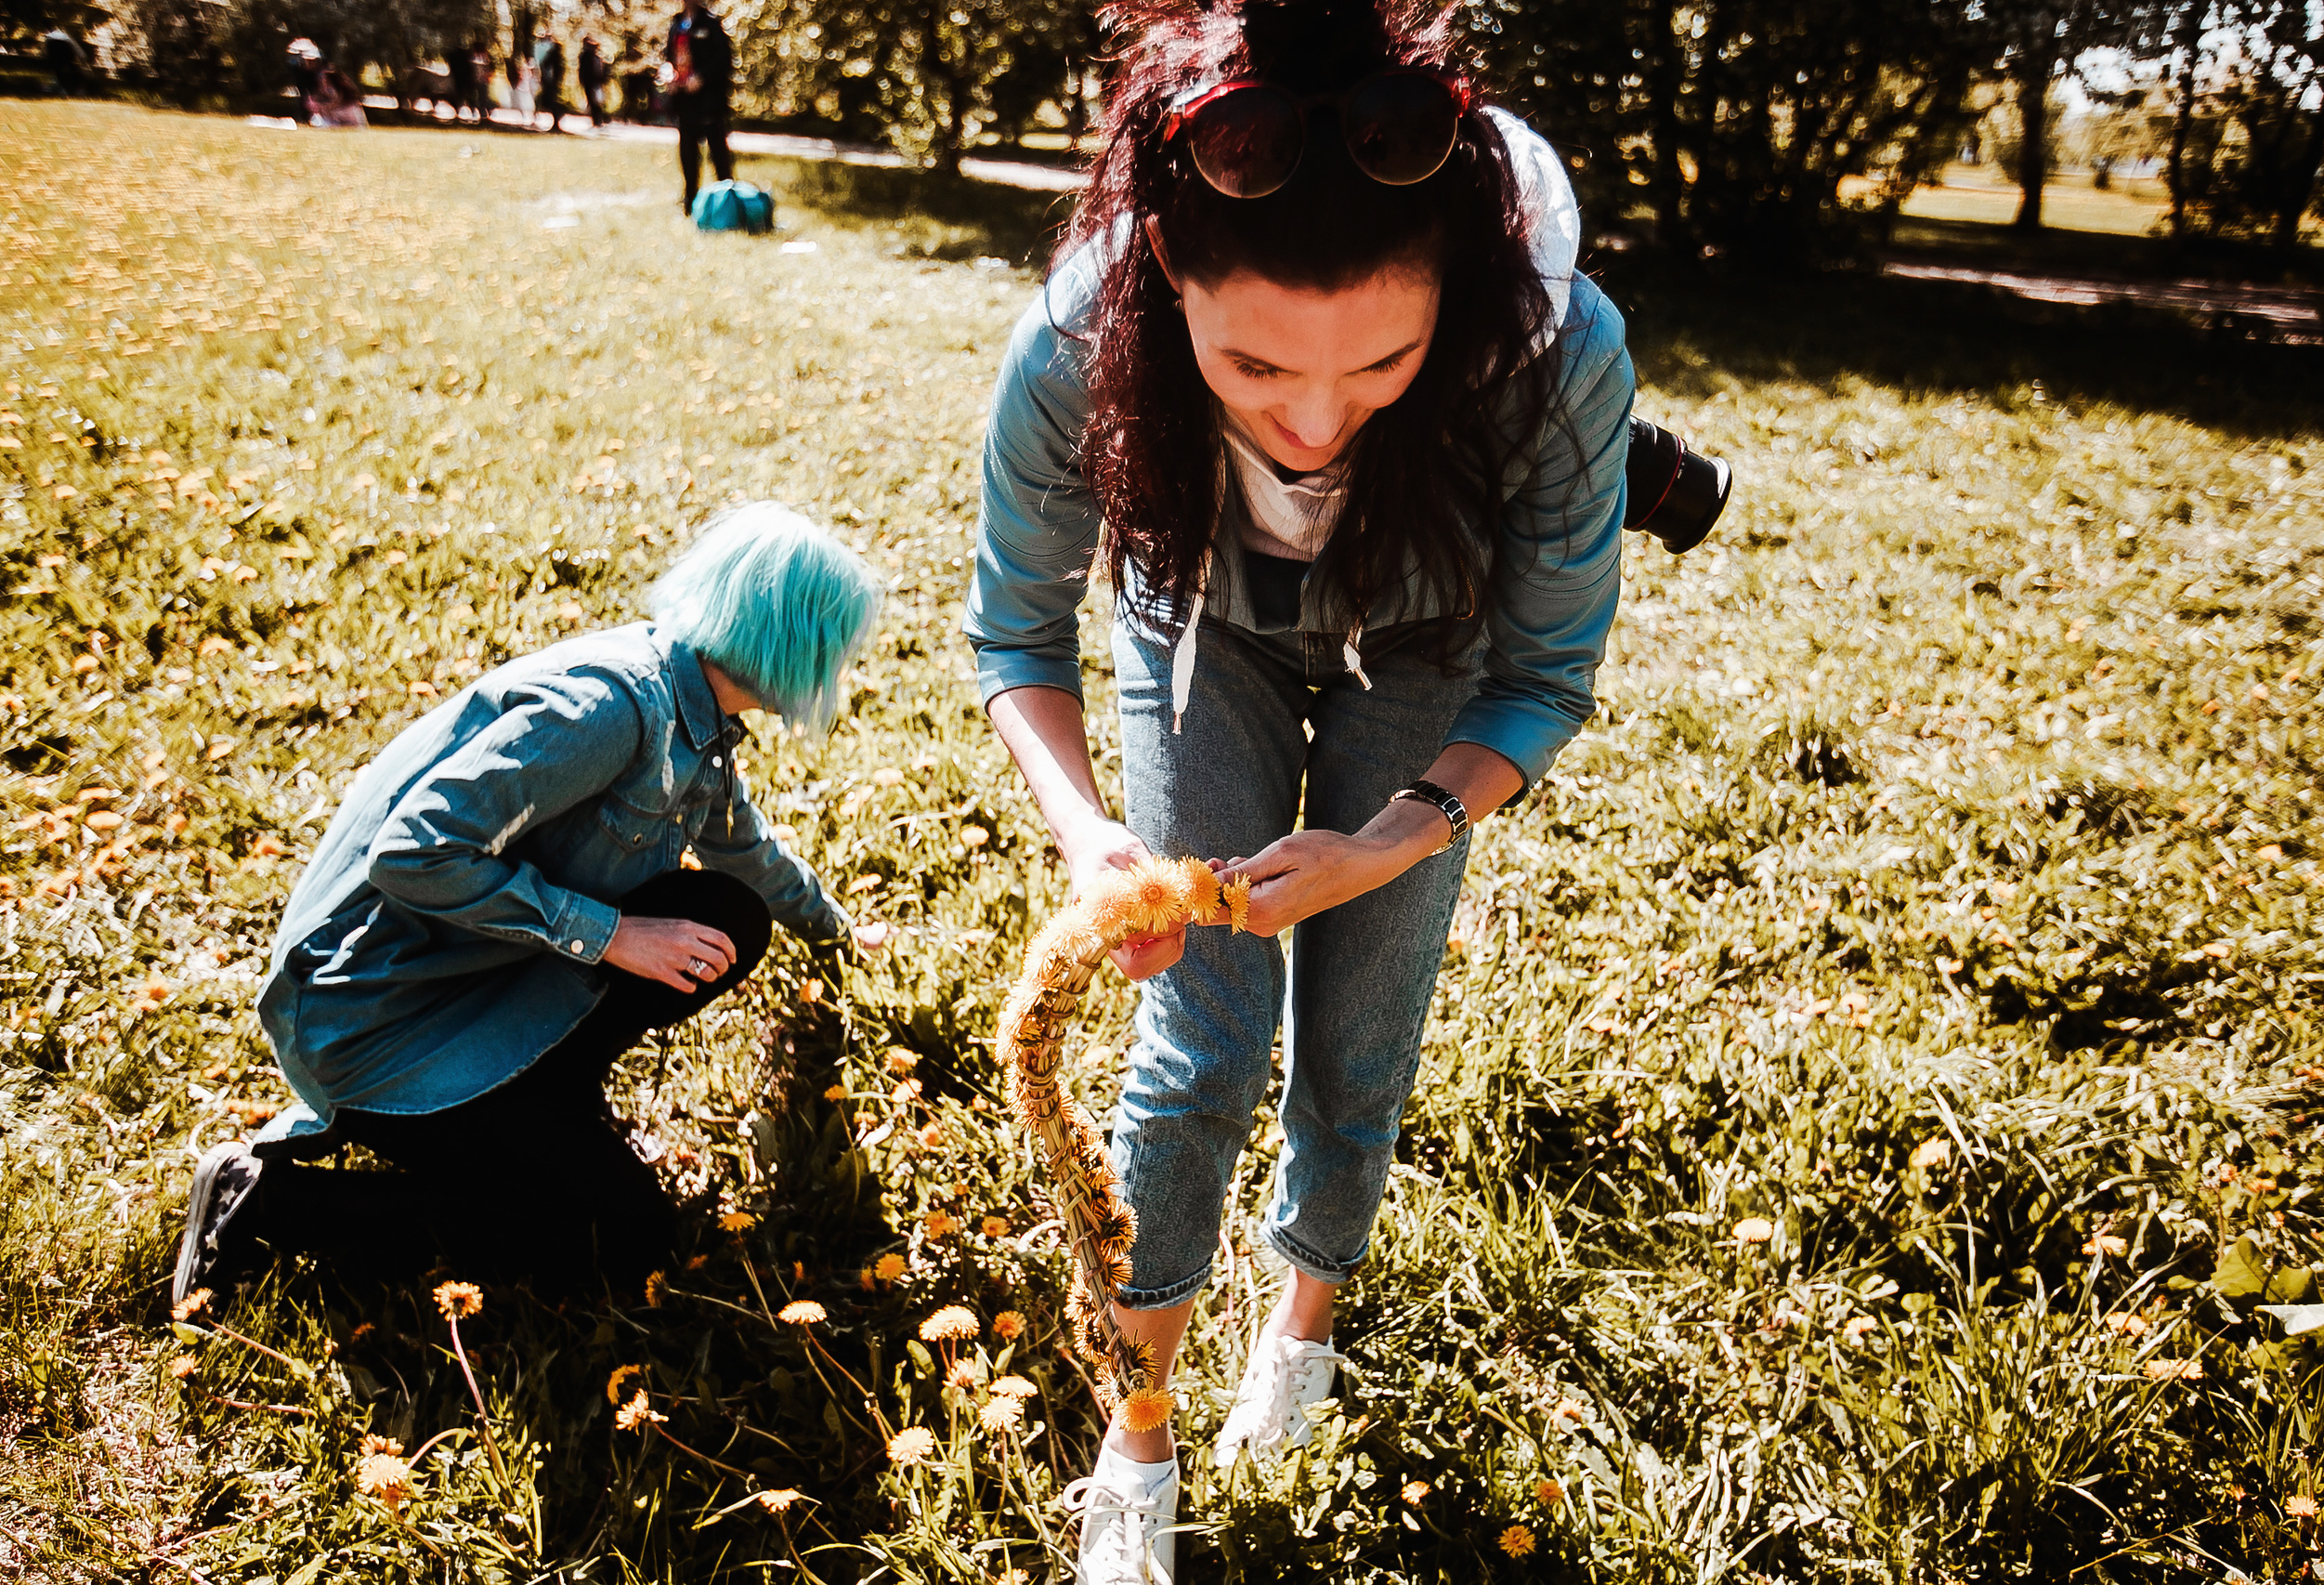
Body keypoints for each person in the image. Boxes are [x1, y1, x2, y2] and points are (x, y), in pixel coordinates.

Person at [961, 1, 1631, 1578]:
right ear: (1164, 285)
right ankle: (1139, 1424)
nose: (1318, 419)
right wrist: (1094, 836)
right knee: (1197, 1040)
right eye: (1253, 363)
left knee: (1359, 1032)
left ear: (1455, 305)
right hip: (1203, 635)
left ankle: (1302, 1328)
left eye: (1384, 362)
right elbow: (1013, 626)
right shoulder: (1076, 335)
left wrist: (1397, 837)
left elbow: (1543, 675)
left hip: (1426, 644)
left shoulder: (1557, 348)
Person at [171, 505, 881, 1303]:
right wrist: (612, 936)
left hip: (475, 974)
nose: (837, 671)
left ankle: (549, 1097)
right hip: (379, 1021)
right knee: (621, 1241)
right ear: (791, 640)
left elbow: (740, 849)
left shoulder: (697, 715)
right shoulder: (611, 709)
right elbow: (413, 853)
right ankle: (266, 1202)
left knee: (729, 916)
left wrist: (839, 933)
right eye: (835, 649)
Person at [666, 0, 735, 213]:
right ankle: (691, 202)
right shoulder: (676, 23)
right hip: (685, 101)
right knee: (687, 153)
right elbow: (670, 56)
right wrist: (669, 73)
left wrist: (701, 77)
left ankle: (728, 202)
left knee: (718, 155)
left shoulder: (712, 24)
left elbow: (724, 59)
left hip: (709, 102)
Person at [308, 60, 367, 129]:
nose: (321, 78)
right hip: (343, 114)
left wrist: (323, 108)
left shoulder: (335, 88)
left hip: (347, 114)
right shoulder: (328, 87)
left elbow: (337, 101)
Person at [534, 29, 567, 131]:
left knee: (550, 100)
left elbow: (548, 66)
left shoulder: (552, 53)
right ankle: (558, 117)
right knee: (549, 99)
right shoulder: (555, 54)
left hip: (550, 79)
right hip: (550, 79)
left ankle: (559, 114)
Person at [42, 27, 87, 97]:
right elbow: (75, 47)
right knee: (69, 67)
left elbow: (46, 49)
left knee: (59, 69)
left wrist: (46, 56)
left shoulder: (50, 37)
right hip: (64, 49)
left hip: (55, 48)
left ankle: (64, 89)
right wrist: (82, 57)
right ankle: (76, 89)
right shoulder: (65, 36)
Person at [578, 33, 610, 129]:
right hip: (592, 82)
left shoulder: (591, 56)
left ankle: (599, 120)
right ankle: (598, 120)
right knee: (594, 102)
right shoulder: (590, 56)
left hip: (594, 82)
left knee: (596, 102)